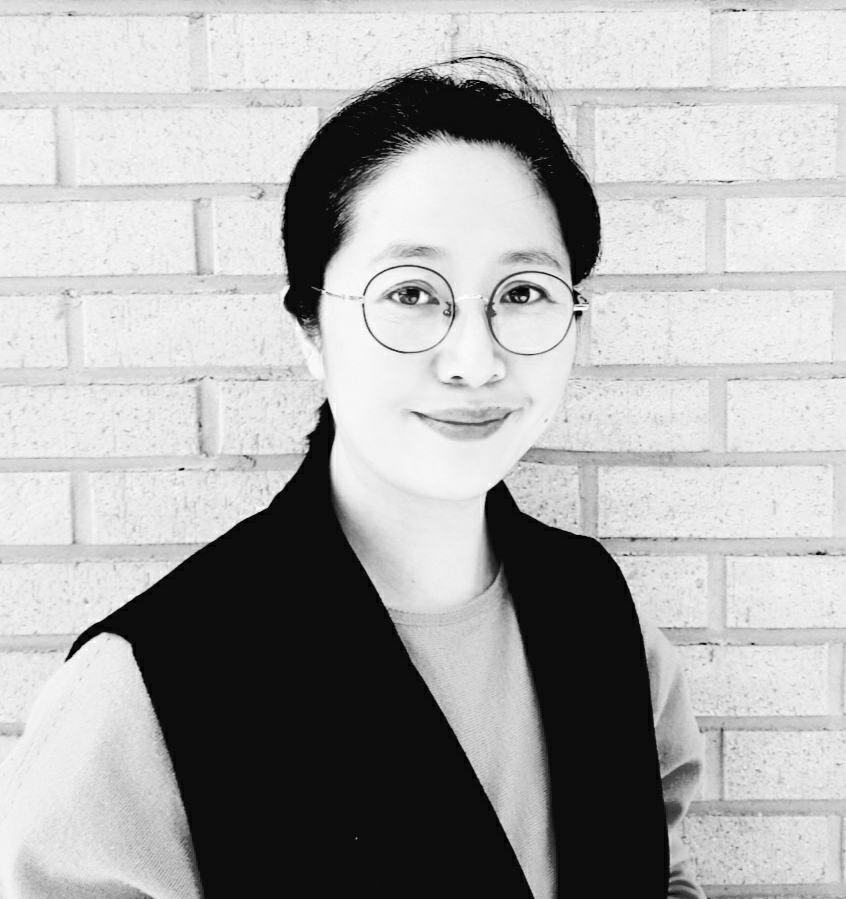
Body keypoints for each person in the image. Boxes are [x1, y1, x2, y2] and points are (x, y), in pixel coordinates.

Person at [0, 55, 706, 898]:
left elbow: (661, 874)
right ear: (310, 328)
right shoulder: (150, 686)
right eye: (410, 293)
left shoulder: (602, 617)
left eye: (523, 293)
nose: (475, 361)